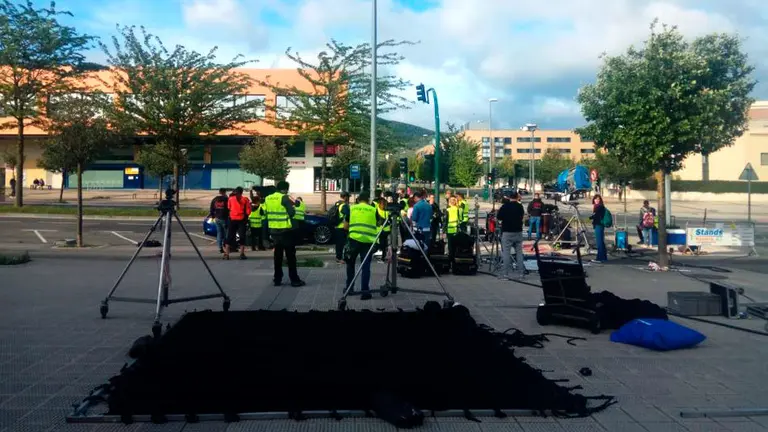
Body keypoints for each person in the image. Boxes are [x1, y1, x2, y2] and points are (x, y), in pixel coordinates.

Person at [265, 181, 305, 287]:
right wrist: (293, 208)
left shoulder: (268, 198)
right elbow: (291, 213)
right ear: (286, 189)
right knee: (290, 256)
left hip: (274, 230)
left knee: (277, 256)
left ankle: (277, 279)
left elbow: (264, 212)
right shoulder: (284, 198)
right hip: (285, 231)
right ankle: (294, 280)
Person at [345, 191, 377, 300]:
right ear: (368, 200)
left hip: (354, 240)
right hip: (368, 242)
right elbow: (378, 224)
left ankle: (350, 288)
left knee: (350, 264)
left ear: (358, 200)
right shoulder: (373, 210)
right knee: (366, 267)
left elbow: (345, 226)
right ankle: (365, 292)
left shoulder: (352, 208)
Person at [496, 192, 526, 280]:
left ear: (509, 198)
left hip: (507, 232)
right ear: (517, 197)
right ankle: (521, 274)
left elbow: (499, 217)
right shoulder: (520, 206)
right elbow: (522, 216)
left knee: (506, 253)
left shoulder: (505, 206)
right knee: (519, 253)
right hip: (518, 232)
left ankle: (505, 274)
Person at [224, 187, 250, 260]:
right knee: (242, 236)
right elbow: (248, 211)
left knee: (229, 236)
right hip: (242, 220)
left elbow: (229, 208)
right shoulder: (245, 199)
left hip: (232, 219)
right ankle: (242, 254)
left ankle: (226, 254)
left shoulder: (231, 199)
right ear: (242, 192)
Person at [209, 188, 229, 253]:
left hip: (217, 218)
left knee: (219, 233)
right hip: (224, 218)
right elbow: (229, 208)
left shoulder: (215, 199)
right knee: (226, 233)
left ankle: (220, 248)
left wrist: (213, 216)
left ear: (219, 192)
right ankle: (226, 246)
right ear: (224, 192)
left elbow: (211, 209)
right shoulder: (226, 199)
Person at [590, 194, 608, 263]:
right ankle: (604, 257)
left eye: (598, 199)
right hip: (599, 225)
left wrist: (590, 218)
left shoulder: (599, 207)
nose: (597, 200)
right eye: (595, 199)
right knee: (601, 242)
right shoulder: (598, 206)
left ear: (600, 200)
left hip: (599, 225)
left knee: (599, 242)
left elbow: (596, 216)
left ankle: (599, 258)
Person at [333, 192, 351, 264]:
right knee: (342, 244)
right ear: (345, 197)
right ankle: (340, 258)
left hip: (337, 227)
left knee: (339, 244)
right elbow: (348, 215)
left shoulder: (338, 203)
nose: (349, 198)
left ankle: (338, 257)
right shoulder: (344, 205)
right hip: (342, 227)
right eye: (348, 197)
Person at [444, 196, 460, 266]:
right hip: (456, 230)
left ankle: (450, 262)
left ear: (449, 203)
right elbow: (459, 219)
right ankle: (455, 262)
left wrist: (444, 231)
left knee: (450, 247)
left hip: (449, 230)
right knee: (455, 246)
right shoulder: (457, 209)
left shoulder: (448, 210)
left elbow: (445, 221)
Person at [375, 197, 390, 263]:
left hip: (385, 230)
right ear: (379, 204)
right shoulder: (376, 210)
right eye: (382, 204)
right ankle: (382, 256)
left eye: (384, 204)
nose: (383, 205)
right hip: (380, 230)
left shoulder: (387, 211)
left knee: (383, 244)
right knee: (381, 244)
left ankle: (383, 257)